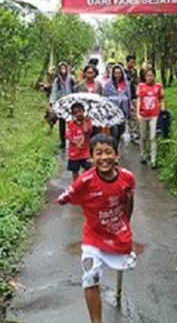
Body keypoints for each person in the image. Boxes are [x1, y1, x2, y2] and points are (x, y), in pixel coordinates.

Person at [54, 133, 136, 323]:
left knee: (123, 265)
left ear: (117, 155)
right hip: (93, 238)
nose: (104, 157)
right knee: (90, 277)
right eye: (98, 153)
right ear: (90, 158)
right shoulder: (85, 181)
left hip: (118, 235)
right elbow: (69, 193)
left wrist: (126, 224)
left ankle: (117, 290)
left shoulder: (128, 178)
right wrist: (60, 199)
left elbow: (129, 200)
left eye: (108, 152)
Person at [137, 68, 165, 169]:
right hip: (143, 114)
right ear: (145, 77)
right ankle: (143, 154)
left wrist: (163, 113)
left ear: (154, 76)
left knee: (153, 137)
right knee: (143, 136)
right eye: (147, 75)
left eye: (151, 75)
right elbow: (139, 100)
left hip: (155, 115)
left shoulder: (158, 86)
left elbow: (161, 100)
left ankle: (153, 160)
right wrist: (138, 114)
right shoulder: (141, 86)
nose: (149, 77)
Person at [50, 61, 75, 149]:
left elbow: (74, 90)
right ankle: (62, 141)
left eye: (64, 68)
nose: (63, 70)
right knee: (62, 123)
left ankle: (73, 139)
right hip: (61, 104)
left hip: (70, 103)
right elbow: (54, 91)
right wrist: (53, 103)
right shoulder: (57, 80)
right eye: (61, 68)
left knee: (72, 122)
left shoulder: (71, 78)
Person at [104, 64, 131, 145]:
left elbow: (129, 96)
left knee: (121, 130)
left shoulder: (126, 84)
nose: (118, 75)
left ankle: (117, 146)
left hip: (123, 110)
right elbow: (105, 98)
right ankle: (114, 147)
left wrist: (129, 109)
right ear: (113, 74)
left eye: (119, 73)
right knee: (114, 131)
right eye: (116, 73)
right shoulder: (108, 85)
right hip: (112, 112)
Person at [65, 103, 93, 181]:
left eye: (79, 111)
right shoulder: (70, 123)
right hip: (74, 152)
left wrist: (84, 121)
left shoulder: (88, 121)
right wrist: (76, 143)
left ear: (83, 111)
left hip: (85, 152)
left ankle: (82, 180)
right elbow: (68, 135)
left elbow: (86, 130)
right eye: (75, 112)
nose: (78, 114)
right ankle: (76, 184)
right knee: (75, 170)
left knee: (88, 167)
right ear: (73, 114)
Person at [125, 54, 140, 143]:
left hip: (133, 96)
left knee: (133, 116)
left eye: (134, 62)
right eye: (131, 62)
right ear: (127, 62)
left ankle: (134, 135)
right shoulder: (123, 72)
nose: (133, 64)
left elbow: (136, 82)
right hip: (126, 97)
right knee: (124, 116)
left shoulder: (134, 71)